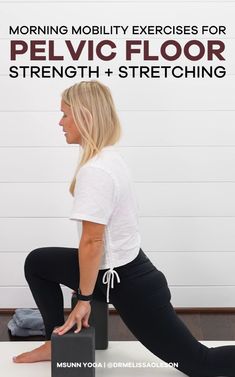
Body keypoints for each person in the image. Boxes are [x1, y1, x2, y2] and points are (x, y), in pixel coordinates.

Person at [13, 80, 235, 376]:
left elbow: (93, 243)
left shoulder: (96, 171)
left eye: (65, 114)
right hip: (118, 273)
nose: (60, 122)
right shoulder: (106, 158)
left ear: (84, 117)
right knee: (39, 262)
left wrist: (83, 299)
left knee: (199, 363)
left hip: (130, 285)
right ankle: (55, 340)